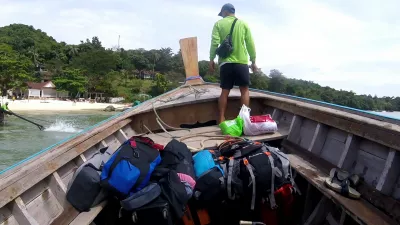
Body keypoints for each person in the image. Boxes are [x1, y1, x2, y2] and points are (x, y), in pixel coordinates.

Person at [209, 3, 258, 123]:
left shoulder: (218, 24)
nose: (222, 16)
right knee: (244, 90)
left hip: (225, 63)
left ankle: (221, 119)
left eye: (222, 14)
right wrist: (253, 60)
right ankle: (244, 120)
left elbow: (214, 43)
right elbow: (250, 43)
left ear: (225, 12)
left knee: (225, 91)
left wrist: (211, 59)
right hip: (241, 62)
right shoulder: (243, 24)